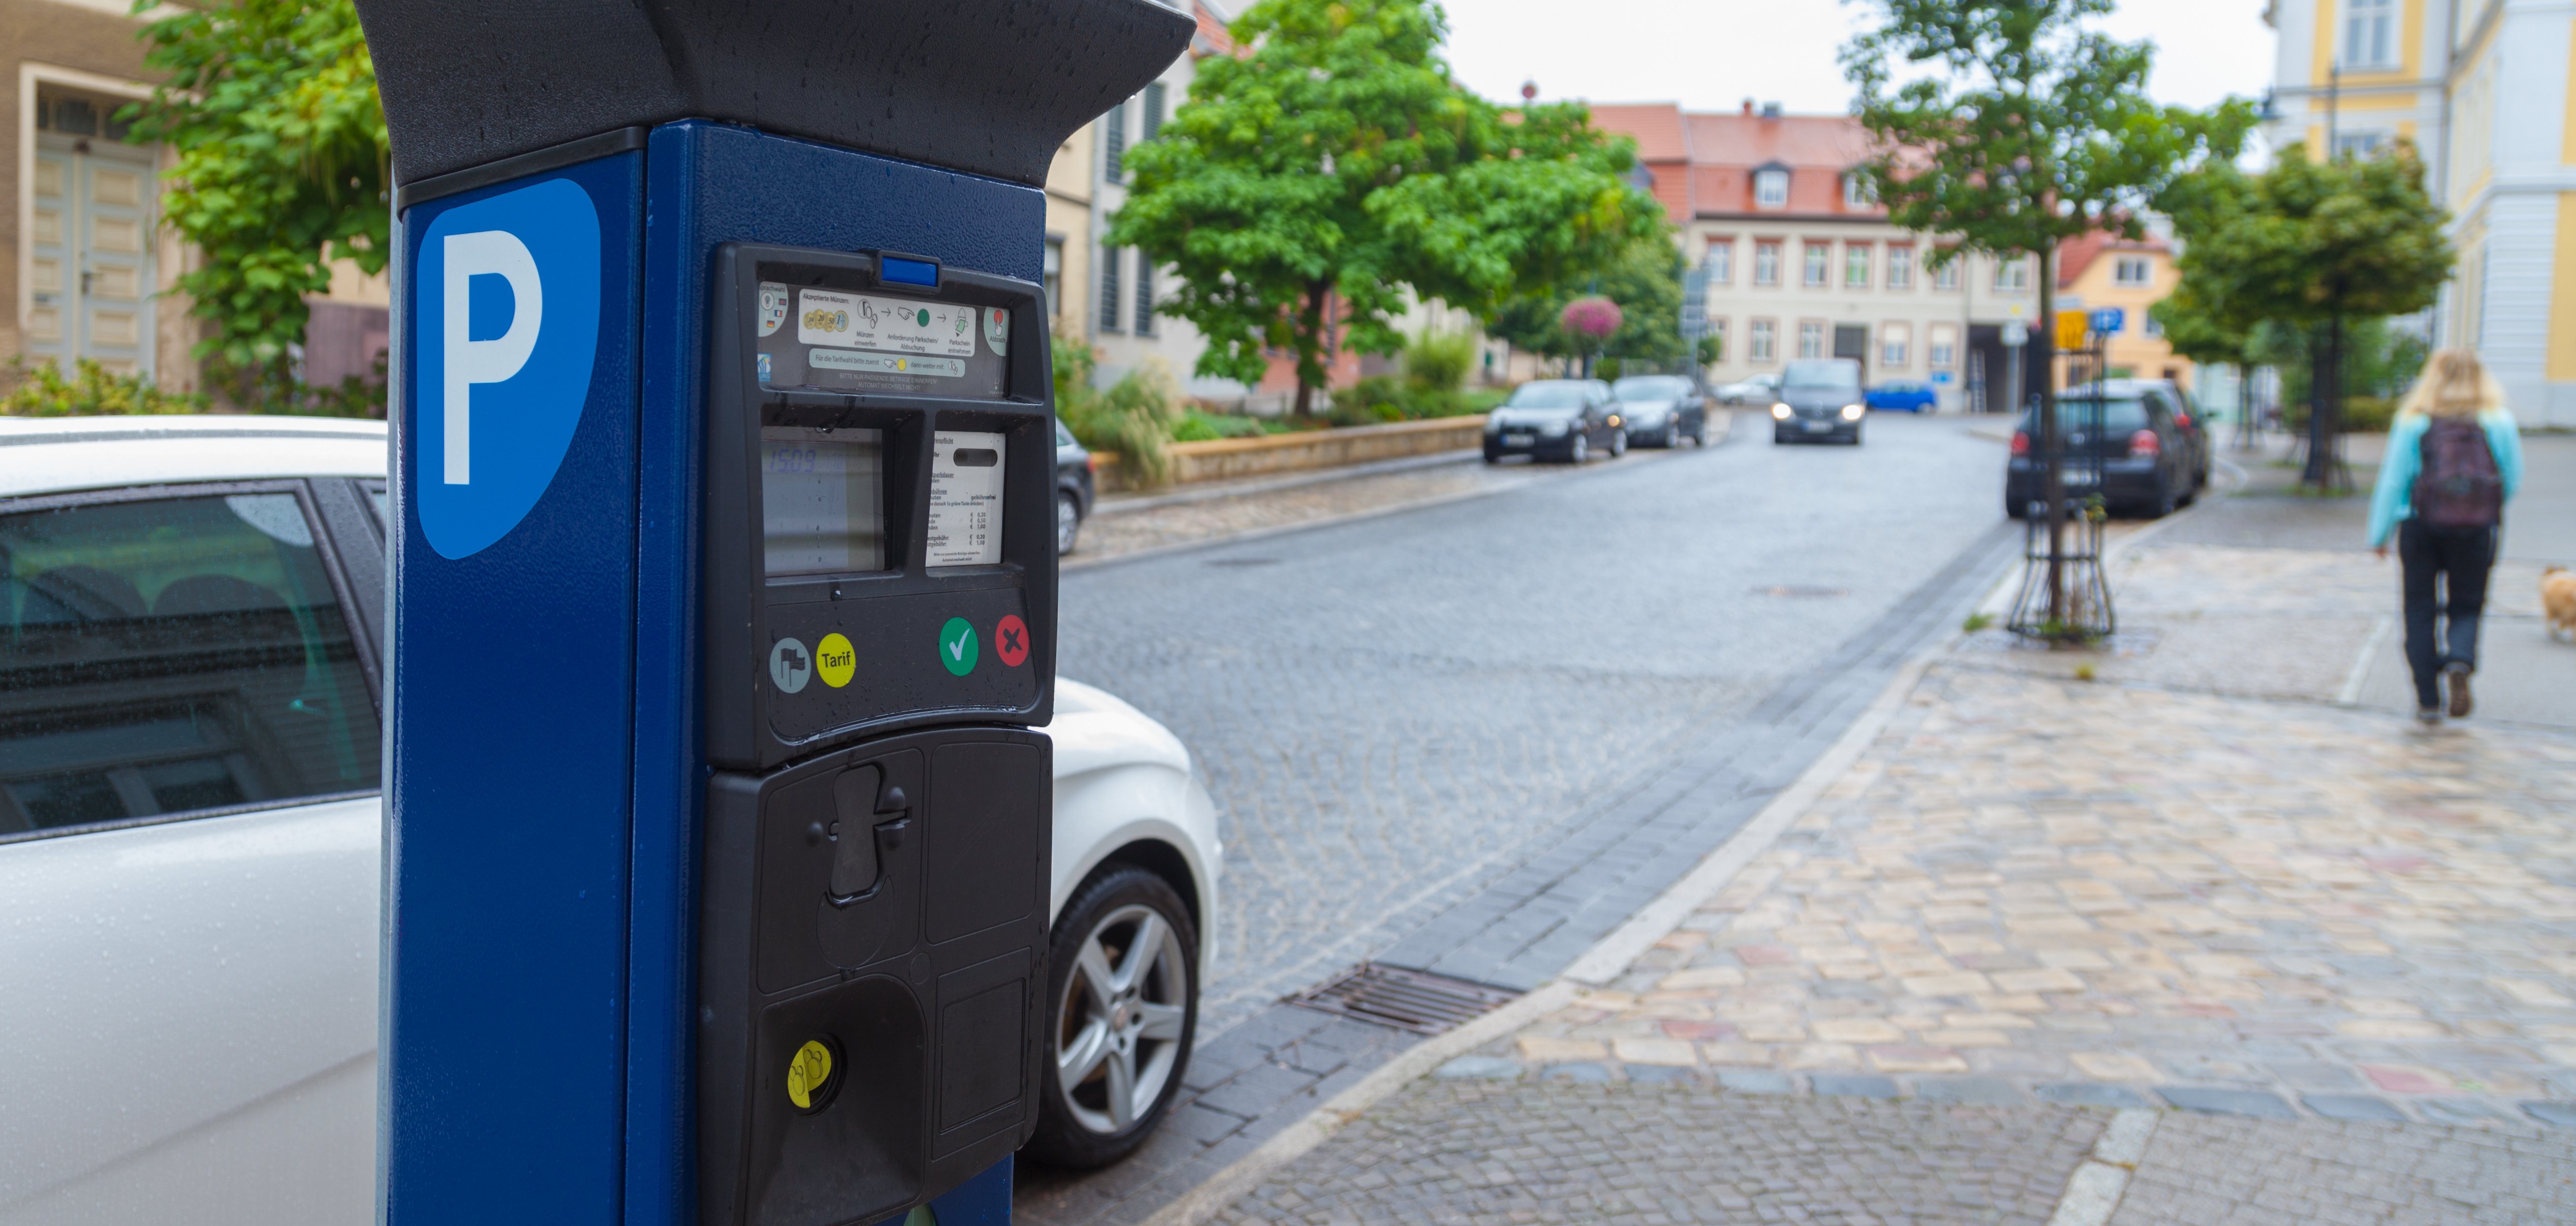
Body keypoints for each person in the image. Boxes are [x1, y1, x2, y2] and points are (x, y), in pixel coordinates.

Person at [2368, 348, 2523, 724]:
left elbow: (2394, 480)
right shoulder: (2496, 420)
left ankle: (2427, 699)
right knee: (2467, 604)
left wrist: (2379, 532)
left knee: (2419, 608)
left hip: (2420, 525)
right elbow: (2511, 478)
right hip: (2475, 528)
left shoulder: (2413, 420)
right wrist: (2481, 509)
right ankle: (2459, 659)